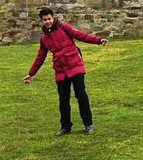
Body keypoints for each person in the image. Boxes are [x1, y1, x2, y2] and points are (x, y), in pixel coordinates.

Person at [23, 7, 108, 136]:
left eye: (49, 19)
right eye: (45, 20)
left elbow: (80, 35)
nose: (48, 22)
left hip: (75, 65)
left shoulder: (63, 27)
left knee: (81, 95)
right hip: (61, 70)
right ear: (41, 21)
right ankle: (65, 127)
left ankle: (88, 124)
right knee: (63, 100)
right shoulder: (44, 39)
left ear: (53, 18)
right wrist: (31, 74)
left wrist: (98, 40)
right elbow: (40, 57)